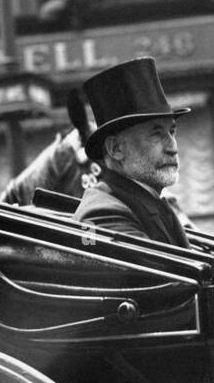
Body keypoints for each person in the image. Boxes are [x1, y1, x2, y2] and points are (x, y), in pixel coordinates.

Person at [73, 57, 191, 247]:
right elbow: (167, 275)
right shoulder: (103, 214)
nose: (173, 147)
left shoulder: (149, 201)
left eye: (172, 131)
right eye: (156, 134)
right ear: (116, 149)